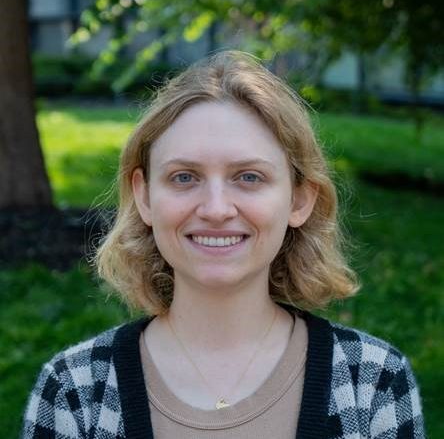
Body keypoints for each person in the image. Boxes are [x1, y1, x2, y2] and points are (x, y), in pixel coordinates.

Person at [23, 51, 425, 438]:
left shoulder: (374, 384)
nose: (216, 209)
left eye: (248, 177)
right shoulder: (73, 392)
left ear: (299, 199)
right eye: (184, 177)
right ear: (144, 197)